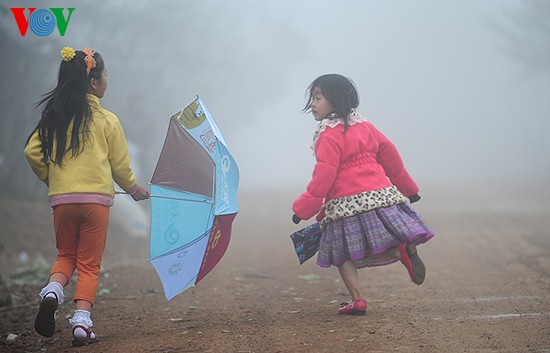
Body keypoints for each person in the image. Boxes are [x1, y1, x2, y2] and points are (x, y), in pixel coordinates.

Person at [24, 47, 150, 346]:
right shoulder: (107, 120)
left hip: (62, 201)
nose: (107, 79)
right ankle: (82, 324)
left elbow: (32, 152)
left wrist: (51, 178)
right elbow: (120, 166)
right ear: (94, 83)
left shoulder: (54, 116)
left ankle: (53, 290)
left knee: (66, 255)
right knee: (90, 263)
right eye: (105, 75)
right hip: (96, 203)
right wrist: (134, 191)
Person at [292, 74, 434, 315]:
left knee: (342, 253)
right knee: (375, 243)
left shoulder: (327, 135)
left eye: (317, 98)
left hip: (346, 202)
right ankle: (401, 250)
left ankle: (357, 299)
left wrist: (303, 208)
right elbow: (390, 156)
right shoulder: (366, 127)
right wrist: (410, 189)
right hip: (379, 195)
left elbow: (324, 175)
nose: (313, 104)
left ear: (335, 101)